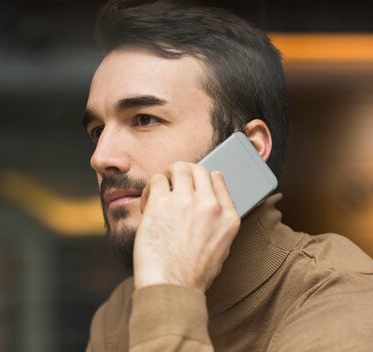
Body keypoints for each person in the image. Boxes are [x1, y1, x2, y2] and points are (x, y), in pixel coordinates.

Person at [82, 1, 373, 351]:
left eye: (144, 119)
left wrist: (170, 292)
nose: (101, 158)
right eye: (98, 130)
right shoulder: (120, 312)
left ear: (249, 148)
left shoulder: (343, 299)